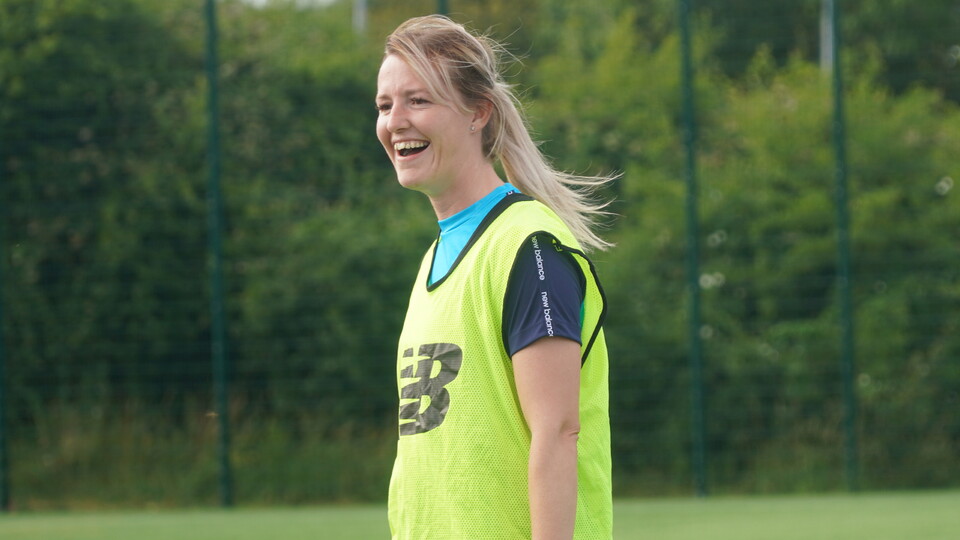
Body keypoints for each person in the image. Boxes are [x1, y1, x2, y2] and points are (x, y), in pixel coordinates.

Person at [375, 15, 615, 540]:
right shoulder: (435, 259)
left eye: (418, 100)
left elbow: (557, 431)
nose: (396, 122)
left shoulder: (527, 245)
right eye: (385, 105)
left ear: (478, 113)